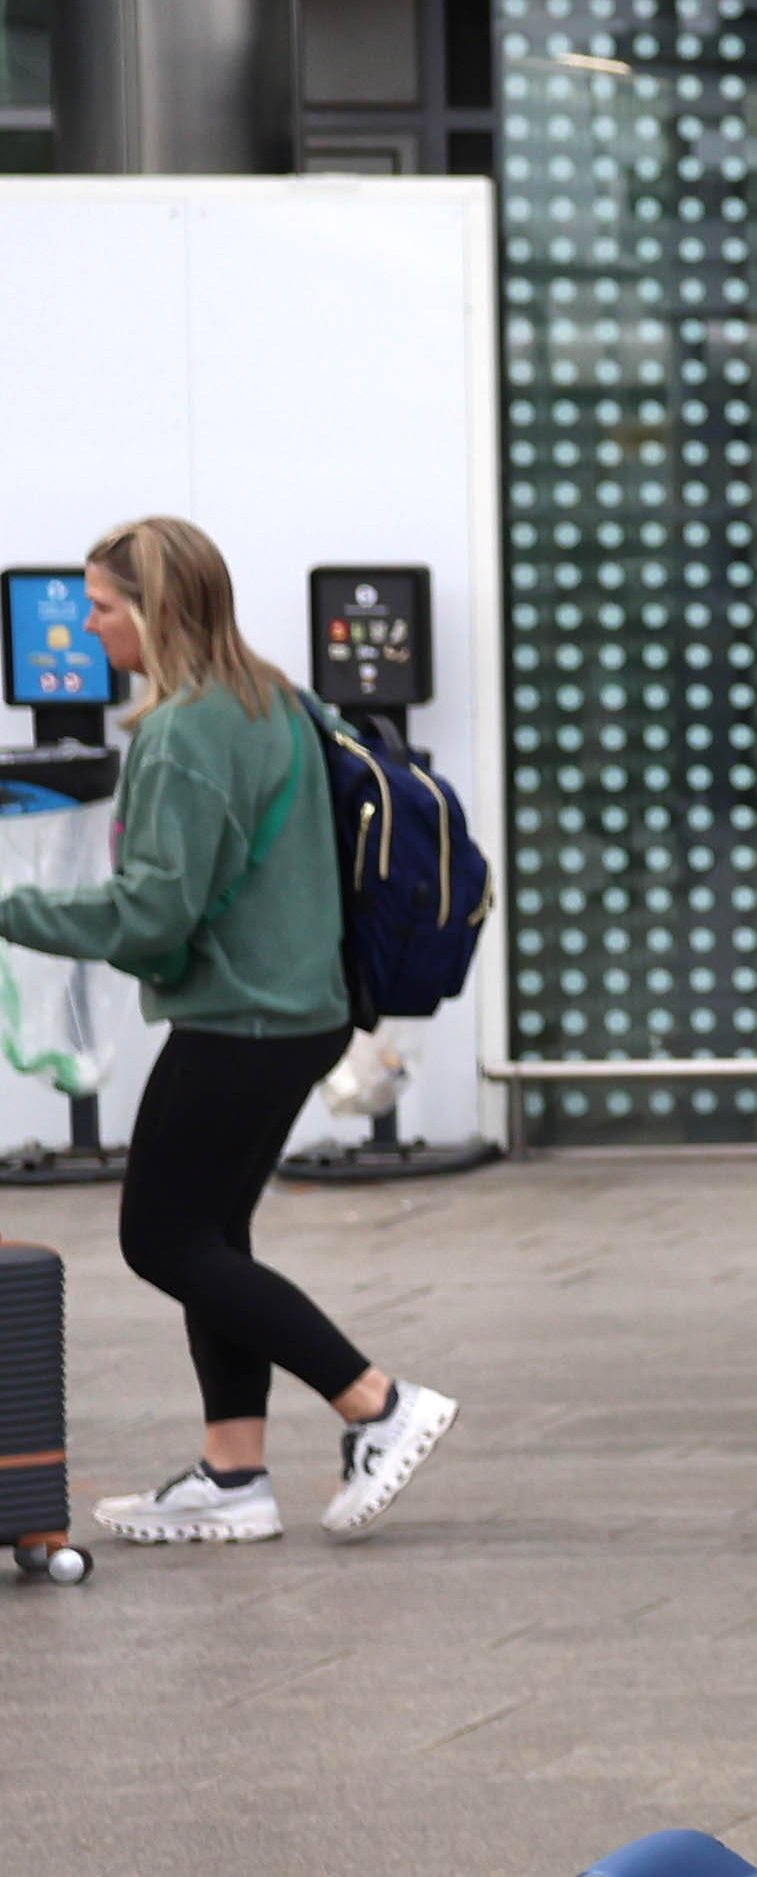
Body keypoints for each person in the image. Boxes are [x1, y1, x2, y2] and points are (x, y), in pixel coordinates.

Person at [1, 518, 453, 1546]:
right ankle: (234, 1471)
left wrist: (12, 907)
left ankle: (375, 1402)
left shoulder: (184, 728)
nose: (92, 626)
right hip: (296, 1011)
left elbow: (151, 917)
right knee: (211, 1235)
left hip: (238, 1016)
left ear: (156, 609)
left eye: (104, 606)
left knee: (159, 1237)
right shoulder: (275, 697)